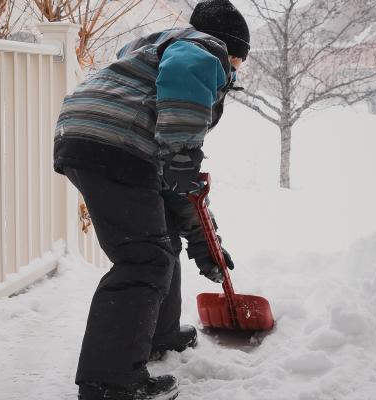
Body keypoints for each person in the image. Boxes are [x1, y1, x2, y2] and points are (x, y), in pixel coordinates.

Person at [52, 0, 250, 399]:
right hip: (117, 143)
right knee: (143, 258)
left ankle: (160, 333)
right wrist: (182, 150)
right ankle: (112, 383)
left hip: (88, 137)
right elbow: (185, 78)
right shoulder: (201, 49)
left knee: (160, 241)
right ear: (227, 47)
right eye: (237, 62)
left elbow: (177, 190)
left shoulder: (149, 58)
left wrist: (204, 244)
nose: (232, 73)